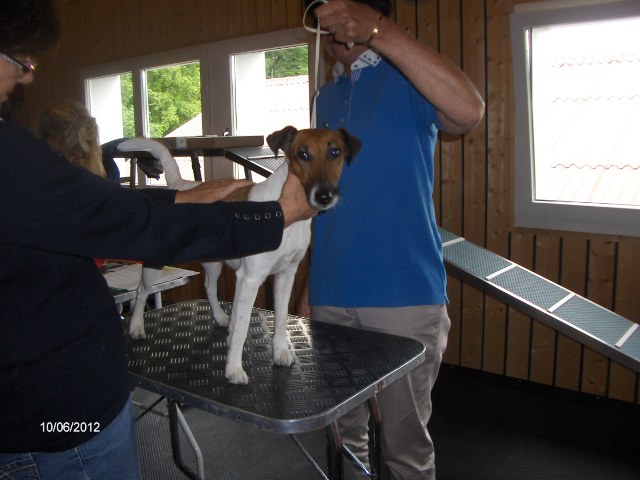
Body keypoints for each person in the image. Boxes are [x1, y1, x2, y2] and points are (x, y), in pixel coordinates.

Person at [0, 1, 317, 478]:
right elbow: (123, 224)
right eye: (21, 61)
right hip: (58, 425)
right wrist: (275, 215)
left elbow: (98, 211)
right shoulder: (9, 156)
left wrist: (174, 201)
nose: (27, 77)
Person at [299, 1, 485, 479]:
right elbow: (323, 202)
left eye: (343, 18)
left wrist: (380, 32)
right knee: (345, 438)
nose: (334, 31)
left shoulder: (409, 79)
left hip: (403, 295)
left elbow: (468, 111)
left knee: (404, 447)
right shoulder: (325, 98)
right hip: (331, 297)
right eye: (325, 23)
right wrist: (307, 288)